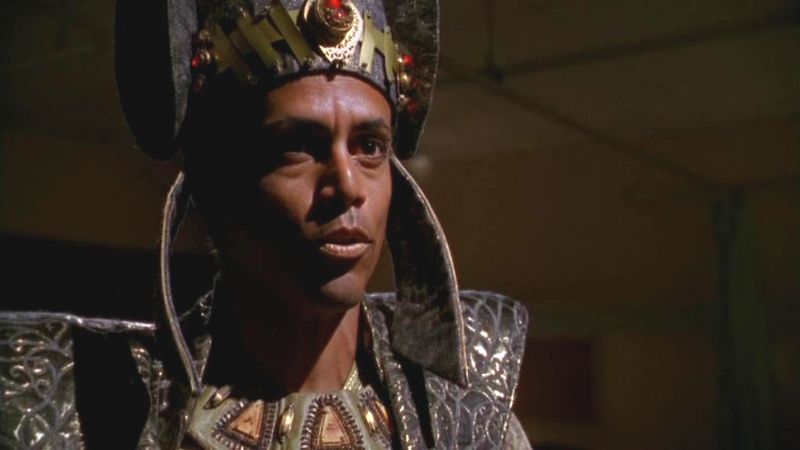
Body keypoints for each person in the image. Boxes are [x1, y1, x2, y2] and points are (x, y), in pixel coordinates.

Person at [0, 0, 531, 448]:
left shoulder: (464, 417)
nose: (348, 185)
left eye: (370, 147)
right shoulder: (92, 410)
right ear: (214, 181)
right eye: (297, 147)